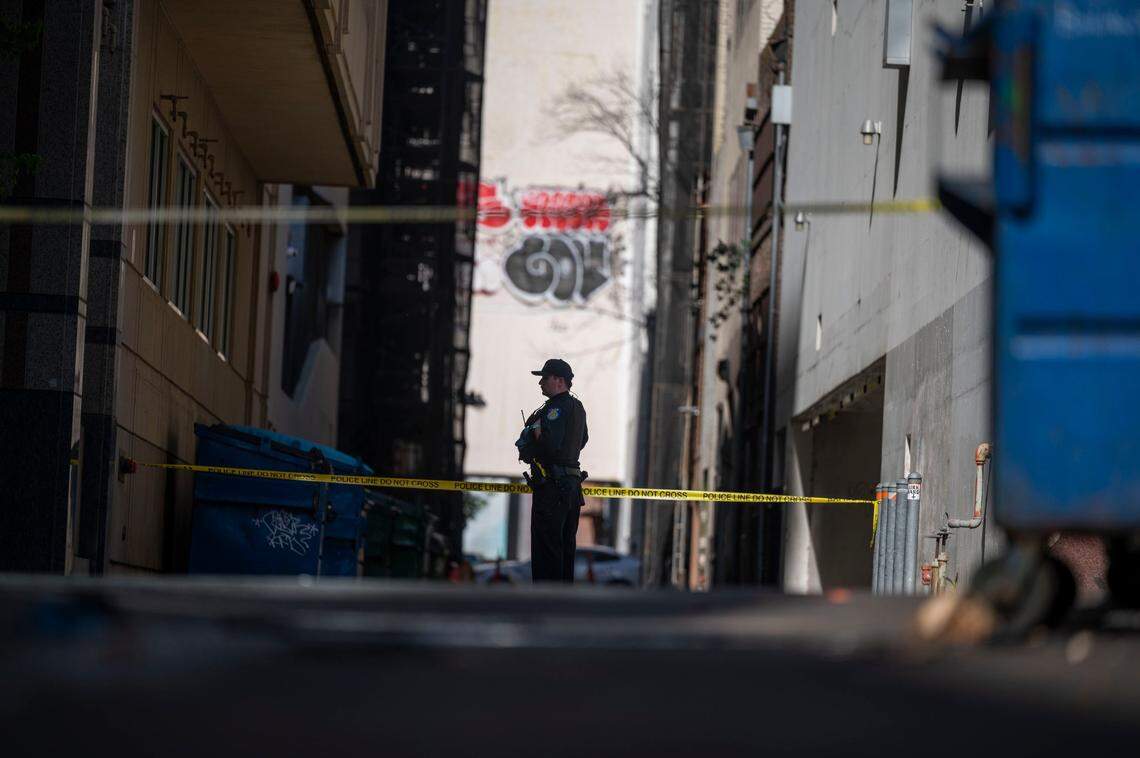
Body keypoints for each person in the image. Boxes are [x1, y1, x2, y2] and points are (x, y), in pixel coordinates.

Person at [515, 358, 589, 583]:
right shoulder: (577, 407)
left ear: (559, 380)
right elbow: (583, 439)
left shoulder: (555, 409)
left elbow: (549, 446)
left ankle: (546, 605)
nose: (540, 383)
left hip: (552, 490)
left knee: (546, 551)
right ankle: (563, 606)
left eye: (544, 378)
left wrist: (535, 434)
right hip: (571, 489)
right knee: (565, 549)